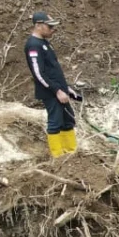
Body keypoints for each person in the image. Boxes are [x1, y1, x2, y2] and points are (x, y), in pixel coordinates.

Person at [25, 11, 80, 157]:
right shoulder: (33, 45)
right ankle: (58, 156)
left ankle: (71, 152)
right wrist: (57, 90)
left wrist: (65, 87)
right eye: (49, 27)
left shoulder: (44, 43)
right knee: (55, 122)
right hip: (50, 92)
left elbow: (53, 70)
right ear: (38, 25)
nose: (52, 29)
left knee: (68, 120)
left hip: (59, 89)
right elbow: (38, 74)